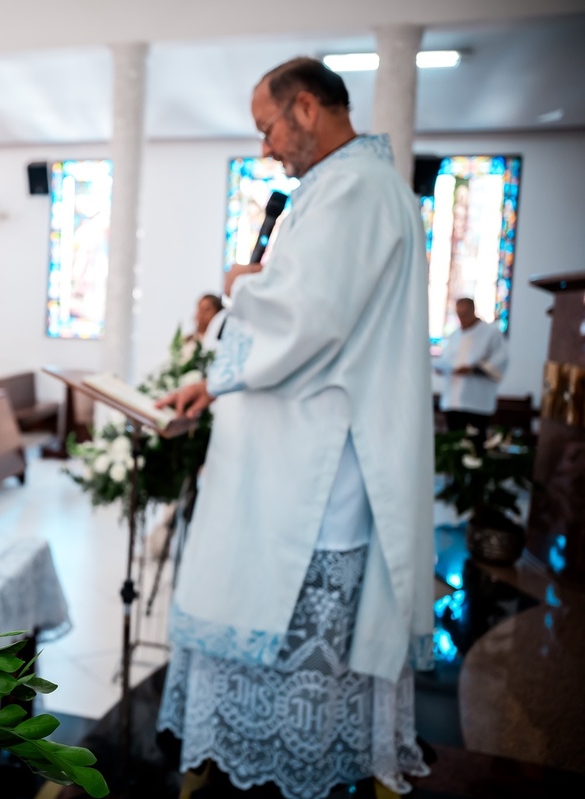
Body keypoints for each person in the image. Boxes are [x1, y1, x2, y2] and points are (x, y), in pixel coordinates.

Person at [153, 58, 432, 799]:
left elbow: (306, 318)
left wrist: (245, 292)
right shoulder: (345, 187)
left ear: (305, 108)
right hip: (293, 455)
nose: (268, 148)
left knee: (289, 631)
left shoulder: (354, 189)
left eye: (268, 129)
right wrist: (214, 380)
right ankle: (241, 752)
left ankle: (286, 765)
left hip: (311, 472)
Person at [434, 297, 508, 435]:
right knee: (453, 443)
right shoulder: (454, 335)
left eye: (465, 314)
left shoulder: (491, 332)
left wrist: (473, 369)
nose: (462, 318)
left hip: (476, 401)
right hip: (452, 400)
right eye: (459, 314)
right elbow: (446, 360)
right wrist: (441, 368)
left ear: (473, 310)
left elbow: (500, 361)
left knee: (475, 446)